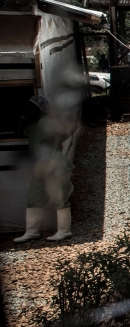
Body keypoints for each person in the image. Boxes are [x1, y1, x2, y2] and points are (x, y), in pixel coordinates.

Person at [13, 95, 74, 243]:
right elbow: (18, 133)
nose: (29, 110)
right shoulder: (33, 125)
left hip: (56, 166)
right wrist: (22, 118)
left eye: (32, 107)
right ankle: (32, 231)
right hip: (40, 167)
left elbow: (72, 126)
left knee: (60, 199)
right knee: (33, 199)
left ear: (40, 109)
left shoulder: (49, 122)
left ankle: (64, 231)